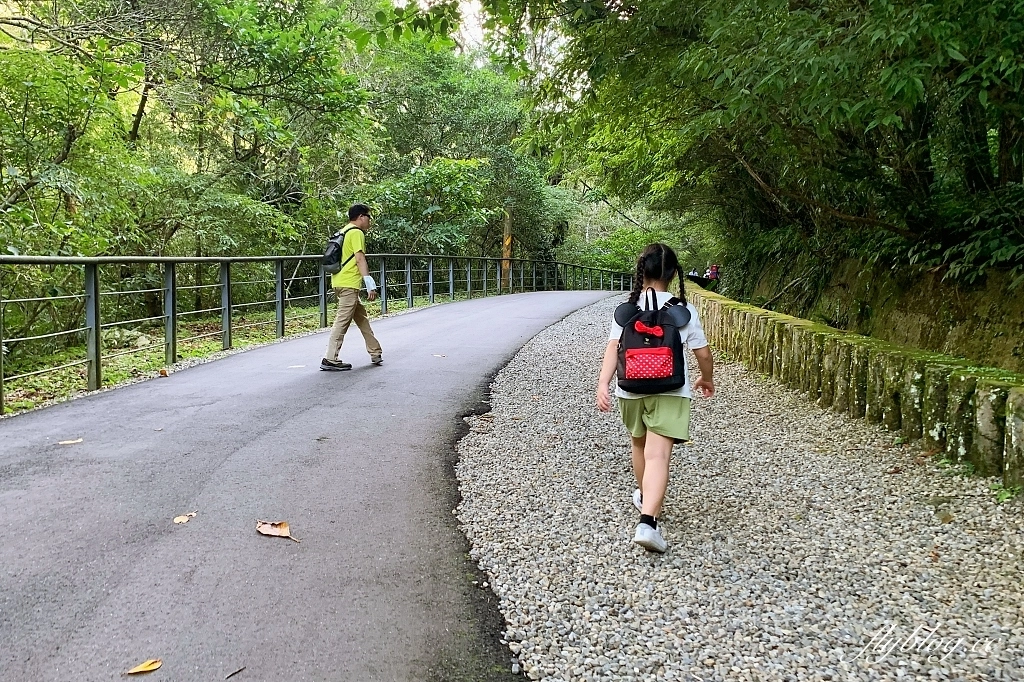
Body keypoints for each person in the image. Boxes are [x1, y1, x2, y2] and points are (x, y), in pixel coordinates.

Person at [596, 243, 715, 553]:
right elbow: (703, 354)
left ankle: (644, 496)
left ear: (641, 271)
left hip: (630, 389)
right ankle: (648, 522)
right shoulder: (683, 310)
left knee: (639, 444)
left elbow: (613, 347)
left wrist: (603, 384)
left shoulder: (627, 309)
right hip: (670, 390)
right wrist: (707, 377)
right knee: (658, 456)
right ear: (674, 274)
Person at [320, 203, 383, 371]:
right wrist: (370, 284)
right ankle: (330, 358)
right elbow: (360, 258)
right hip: (349, 283)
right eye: (368, 218)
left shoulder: (343, 231)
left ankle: (375, 351)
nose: (369, 221)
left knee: (361, 317)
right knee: (342, 321)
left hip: (339, 281)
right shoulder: (356, 233)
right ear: (361, 217)